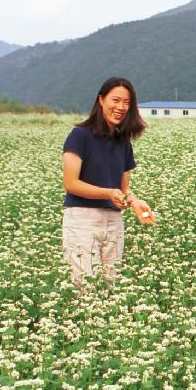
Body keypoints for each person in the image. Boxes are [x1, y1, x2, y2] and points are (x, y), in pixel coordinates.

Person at [62, 77, 155, 286]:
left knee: (110, 287)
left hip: (113, 222)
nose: (121, 107)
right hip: (82, 220)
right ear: (101, 100)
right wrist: (108, 193)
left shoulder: (123, 142)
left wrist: (135, 202)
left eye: (127, 102)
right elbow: (71, 183)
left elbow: (122, 190)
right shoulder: (79, 136)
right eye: (116, 100)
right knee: (85, 287)